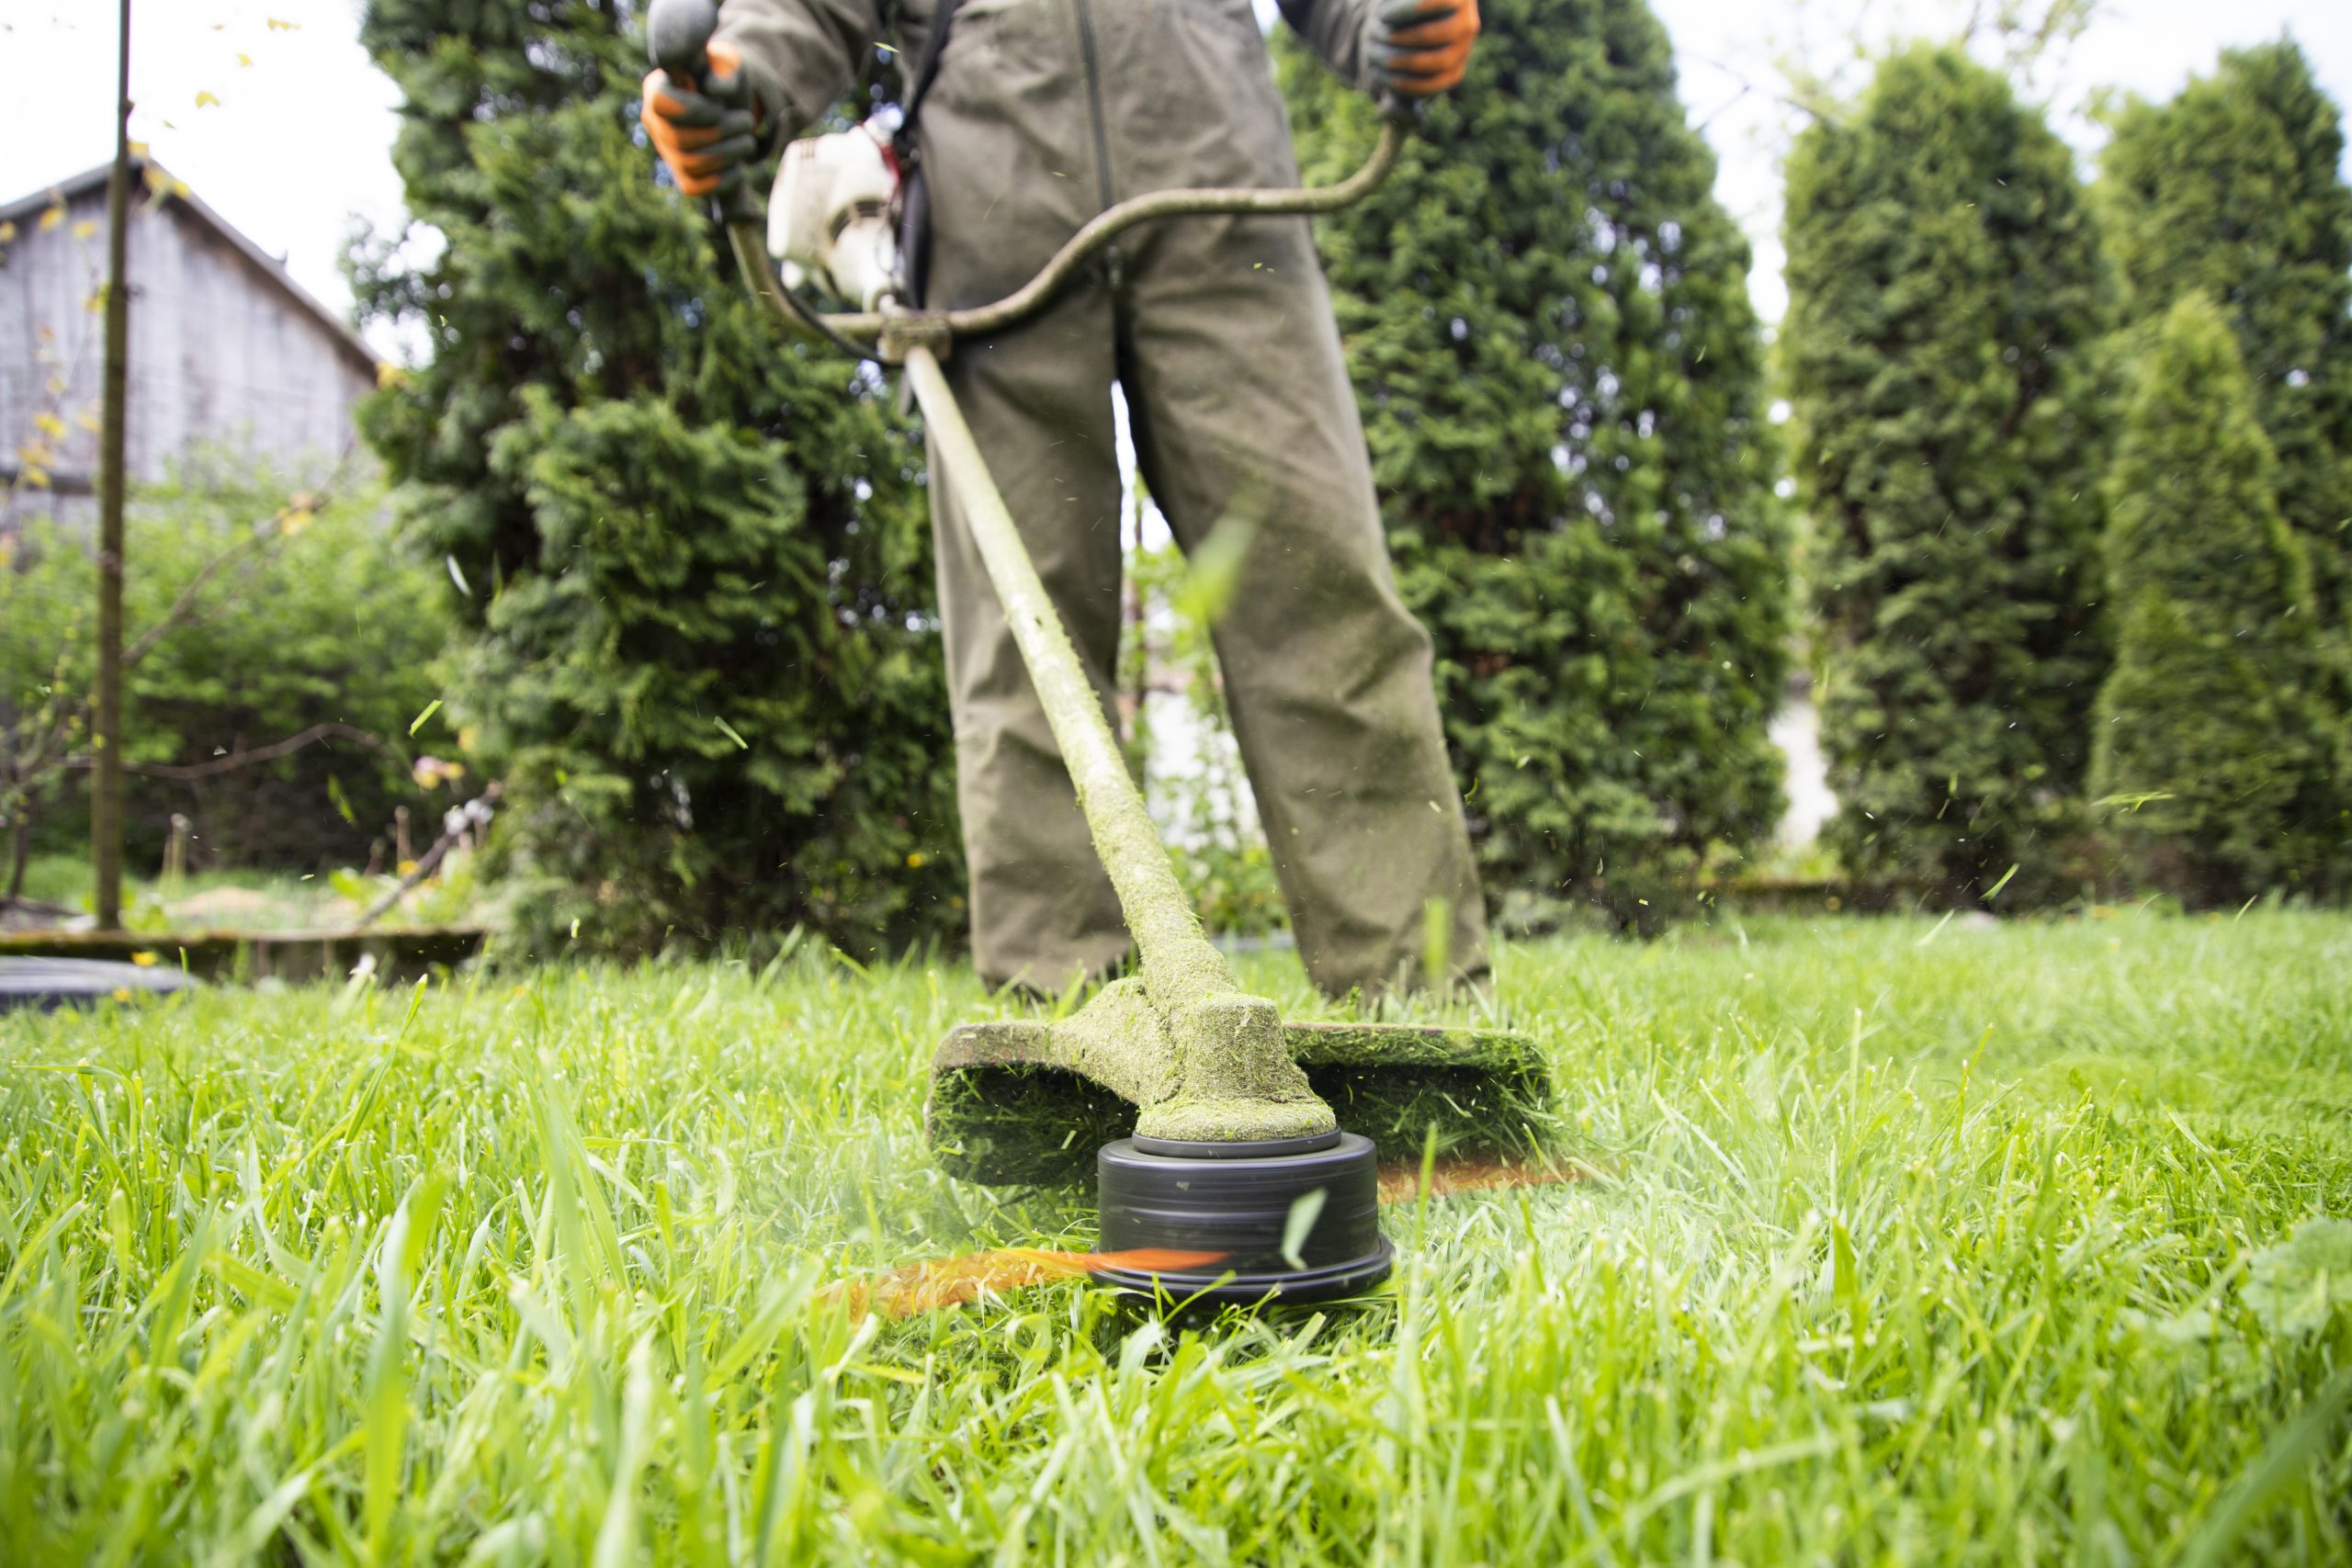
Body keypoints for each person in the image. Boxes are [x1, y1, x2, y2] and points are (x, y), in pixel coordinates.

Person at [642, 0, 1487, 997]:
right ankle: (1070, 1030)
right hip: (988, 228)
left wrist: (1383, 18)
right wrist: (746, 79)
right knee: (1026, 644)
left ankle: (1421, 1016)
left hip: (1226, 203)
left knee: (1320, 594)